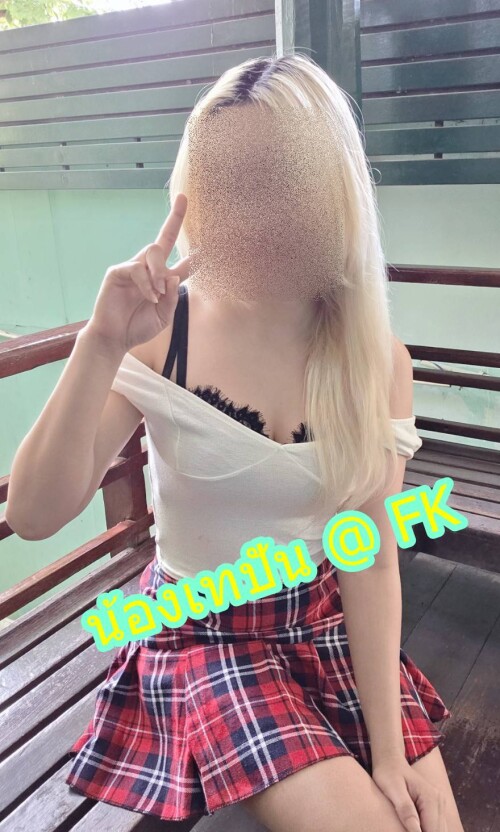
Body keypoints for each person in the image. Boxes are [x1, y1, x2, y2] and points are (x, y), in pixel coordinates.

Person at [6, 54, 464, 832]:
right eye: (230, 184)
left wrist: (389, 753)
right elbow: (35, 514)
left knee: (431, 821)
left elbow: (371, 555)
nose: (253, 216)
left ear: (327, 192)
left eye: (280, 184)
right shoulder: (164, 333)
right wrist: (99, 342)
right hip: (204, 630)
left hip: (321, 617)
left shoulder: (374, 358)